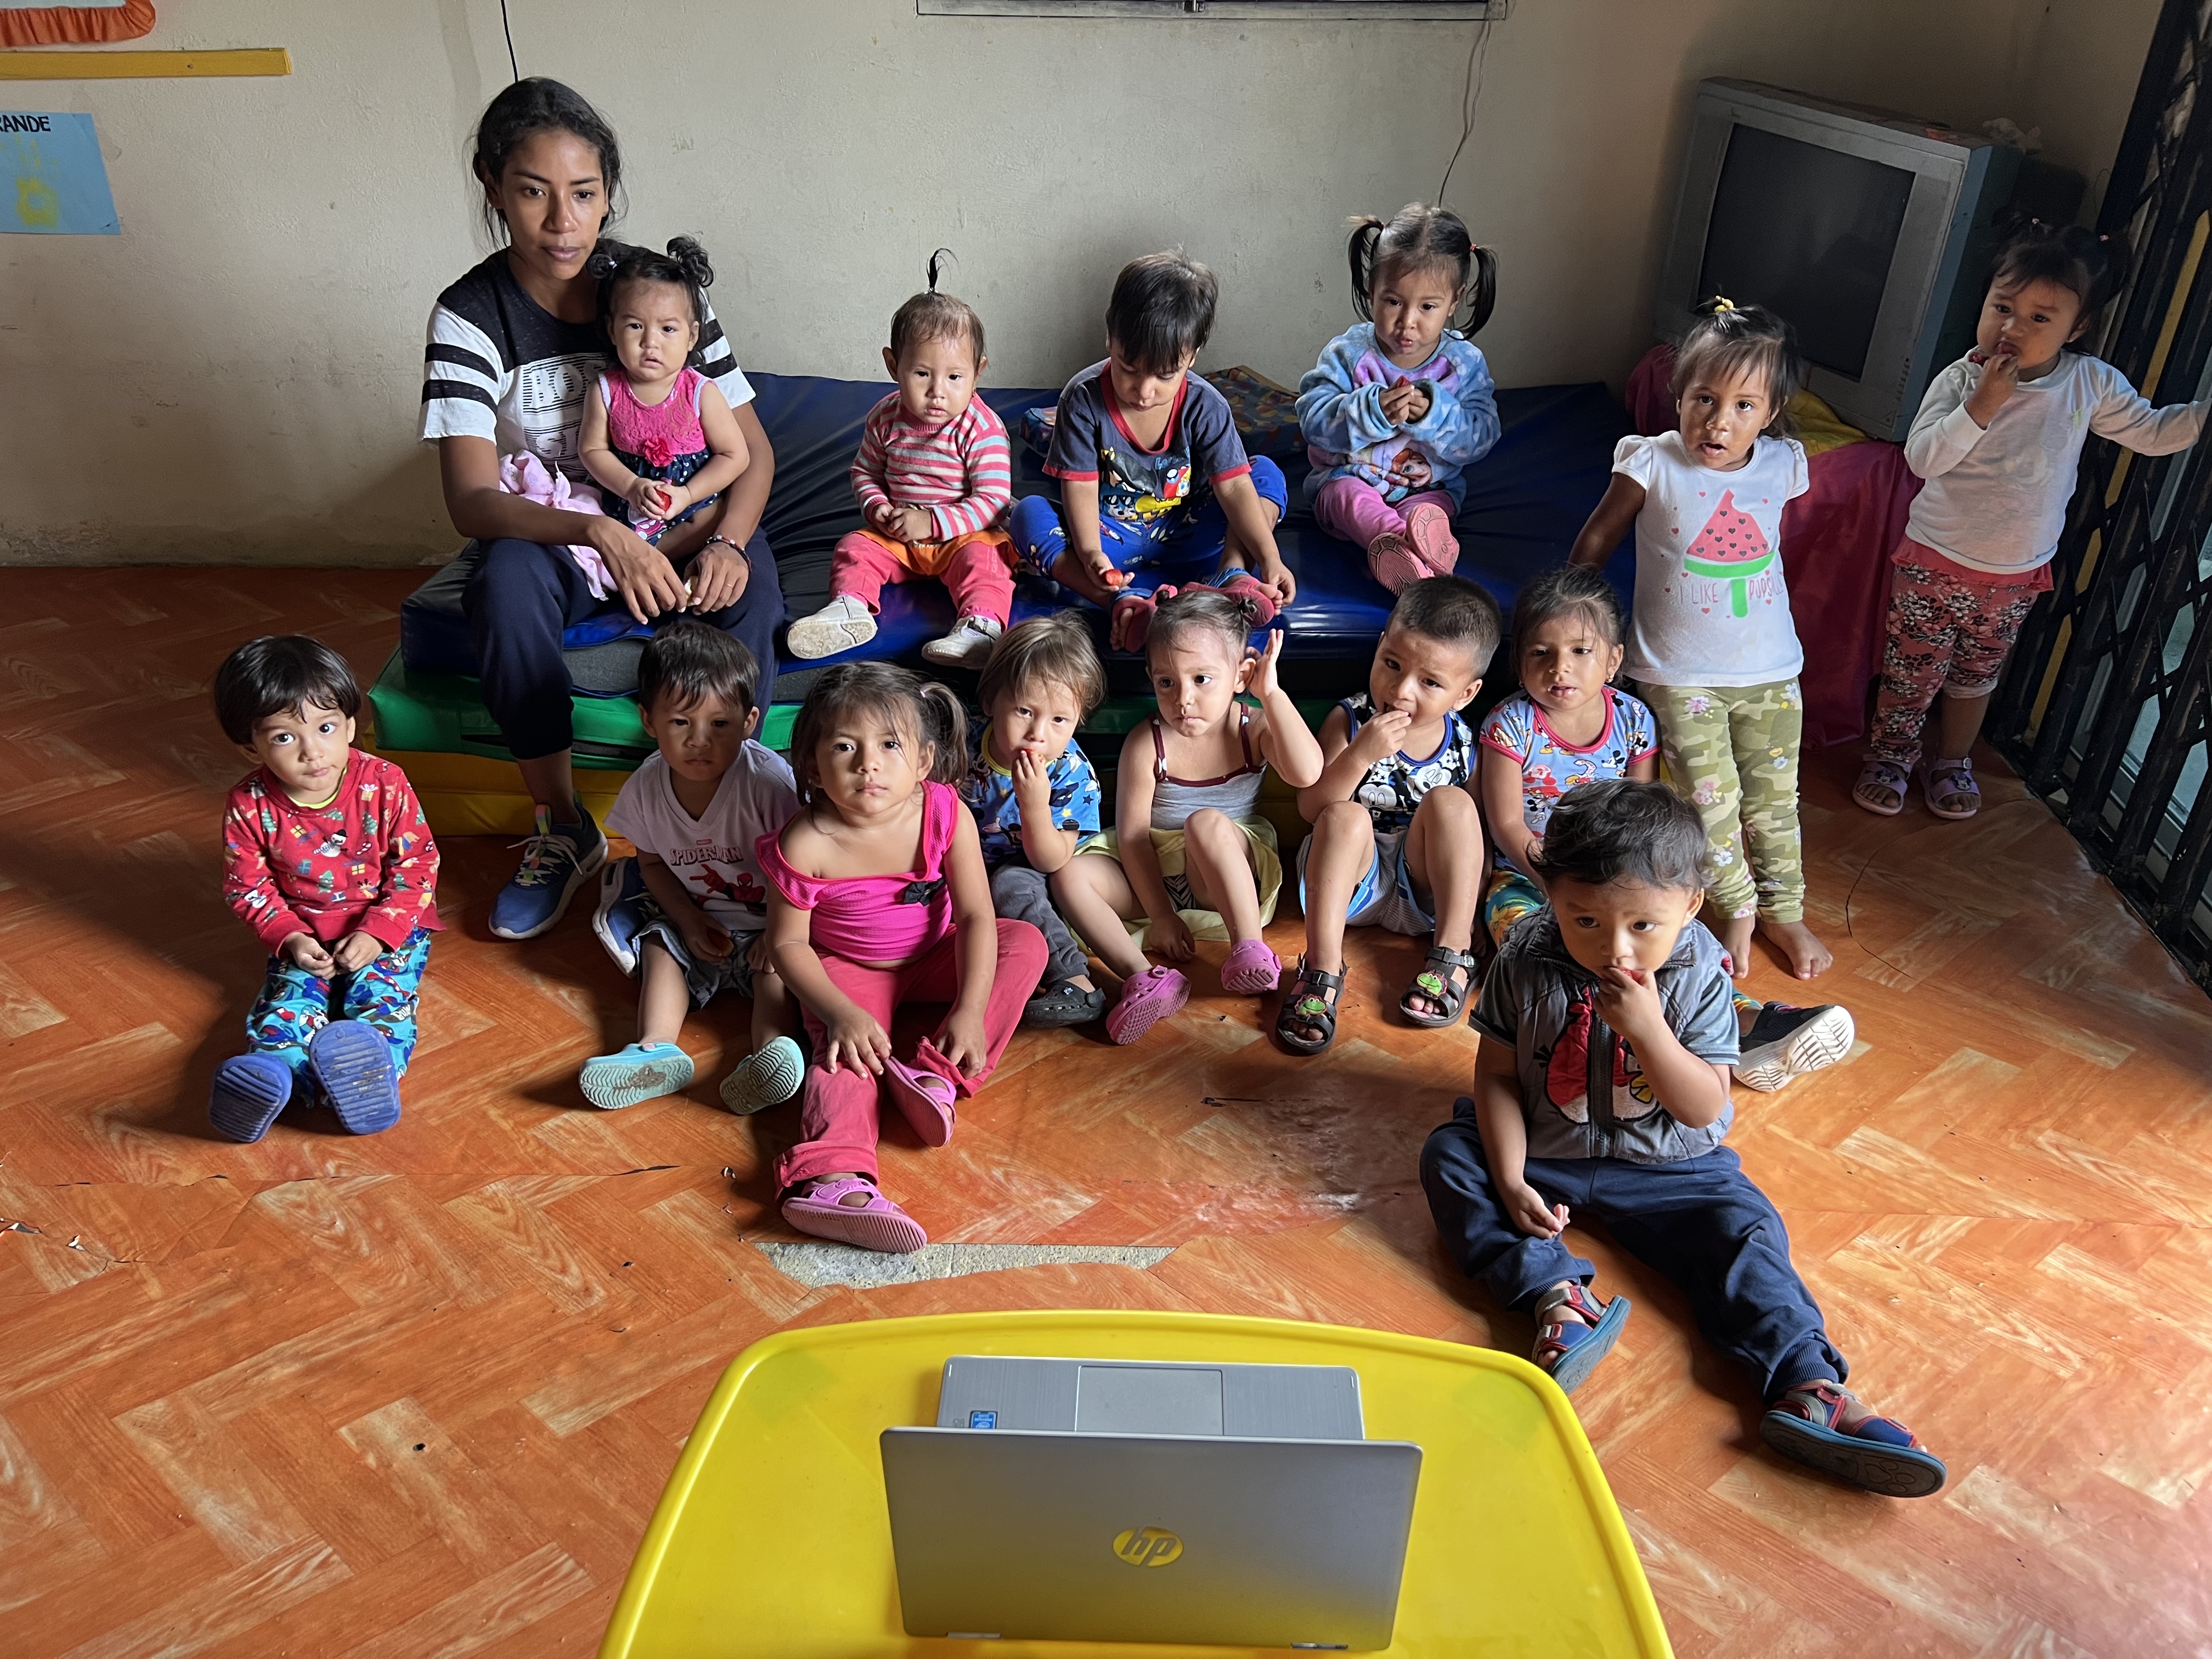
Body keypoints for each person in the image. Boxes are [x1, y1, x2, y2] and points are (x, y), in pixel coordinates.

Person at [1420, 781, 1947, 1498]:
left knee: (1746, 1231)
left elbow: (1703, 1107)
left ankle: (1808, 1386)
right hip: (1547, 1151)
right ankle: (1558, 1299)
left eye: (1644, 925)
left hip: (1673, 1168)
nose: (1613, 947)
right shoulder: (1526, 955)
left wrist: (1649, 1031)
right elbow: (1499, 1076)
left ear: (1691, 905)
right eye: (1584, 919)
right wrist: (1511, 1178)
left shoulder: (1700, 970)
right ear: (1552, 896)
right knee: (1452, 1156)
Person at [421, 78, 782, 942]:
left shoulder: (659, 293)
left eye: (583, 194)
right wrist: (599, 531)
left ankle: (726, 816)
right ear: (492, 187)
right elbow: (472, 500)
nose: (562, 222)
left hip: (685, 518)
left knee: (752, 591)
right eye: (532, 192)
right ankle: (563, 826)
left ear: (609, 193)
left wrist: (729, 543)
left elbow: (753, 453)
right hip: (561, 533)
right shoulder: (470, 317)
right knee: (503, 587)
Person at [1856, 222, 2209, 819]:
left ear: (2079, 327)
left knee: (1976, 677)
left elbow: (2149, 432)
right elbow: (1922, 459)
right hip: (1935, 562)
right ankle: (1890, 756)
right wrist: (1981, 406)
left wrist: (2202, 417)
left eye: (2040, 318)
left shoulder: (2089, 383)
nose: (2013, 328)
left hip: (2015, 575)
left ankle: (1952, 761)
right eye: (2003, 308)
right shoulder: (1962, 378)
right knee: (1912, 672)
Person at [1482, 567, 1852, 1091]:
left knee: (1674, 935)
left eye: (1581, 651)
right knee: (1527, 935)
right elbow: (1506, 823)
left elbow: (1643, 811)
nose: (1559, 668)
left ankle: (1746, 1021)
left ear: (1614, 660)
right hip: (1528, 875)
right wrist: (1556, 883)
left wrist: (1649, 891)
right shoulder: (1509, 725)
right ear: (1519, 661)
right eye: (1541, 653)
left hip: (1623, 880)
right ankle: (1629, 1039)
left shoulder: (1634, 720)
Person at [1567, 298, 1830, 984]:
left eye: (1744, 406)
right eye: (1705, 399)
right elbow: (1597, 538)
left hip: (1771, 670)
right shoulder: (1651, 462)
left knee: (1775, 802)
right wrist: (1579, 619)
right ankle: (1736, 905)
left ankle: (1785, 910)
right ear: (1679, 394)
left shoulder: (1783, 463)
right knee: (1710, 805)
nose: (1719, 422)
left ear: (1771, 412)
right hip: (1677, 673)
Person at [760, 665, 1048, 1253]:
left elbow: (976, 917)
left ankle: (938, 1077)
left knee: (1026, 942)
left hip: (935, 953)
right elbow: (787, 945)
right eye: (845, 747)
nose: (868, 764)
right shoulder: (804, 842)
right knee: (844, 1054)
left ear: (922, 761)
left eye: (889, 745)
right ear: (812, 765)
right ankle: (833, 1180)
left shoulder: (944, 812)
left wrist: (971, 1010)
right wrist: (839, 1012)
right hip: (847, 969)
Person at [1053, 589, 1324, 1043]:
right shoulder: (1148, 742)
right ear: (1151, 678)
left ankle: (1249, 947)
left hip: (1222, 877)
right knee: (1068, 874)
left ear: (1241, 676)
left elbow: (1307, 772)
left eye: (1202, 679)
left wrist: (1272, 695)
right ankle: (1143, 977)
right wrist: (1161, 915)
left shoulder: (1252, 728)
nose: (1183, 699)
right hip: (1156, 880)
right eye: (1167, 682)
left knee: (1205, 821)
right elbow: (1134, 837)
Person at [209, 637, 440, 1143]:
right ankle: (276, 1074)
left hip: (389, 929)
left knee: (382, 998)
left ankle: (369, 1072)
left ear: (351, 726)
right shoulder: (248, 804)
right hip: (304, 934)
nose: (313, 751)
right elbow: (248, 887)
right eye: (284, 737)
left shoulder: (385, 782)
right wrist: (291, 938)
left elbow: (418, 864)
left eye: (326, 728)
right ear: (251, 747)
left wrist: (379, 933)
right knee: (287, 1002)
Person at [1007, 251, 1296, 652]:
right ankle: (1122, 603)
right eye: (1128, 368)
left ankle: (1231, 576)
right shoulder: (1083, 399)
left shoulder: (1206, 406)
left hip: (1187, 532)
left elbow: (1233, 489)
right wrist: (1090, 553)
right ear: (1110, 336)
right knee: (1026, 514)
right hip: (1111, 540)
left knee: (1263, 473)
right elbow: (1081, 488)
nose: (1144, 391)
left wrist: (1270, 558)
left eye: (1165, 376)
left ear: (1193, 355)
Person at [580, 622, 804, 1115]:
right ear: (648, 719)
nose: (700, 741)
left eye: (719, 724)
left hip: (773, 924)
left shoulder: (769, 786)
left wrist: (778, 933)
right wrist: (686, 919)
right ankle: (655, 1049)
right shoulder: (645, 789)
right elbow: (651, 863)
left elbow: (803, 868)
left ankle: (770, 1056)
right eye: (681, 722)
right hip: (701, 922)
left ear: (749, 722)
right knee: (659, 945)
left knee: (780, 971)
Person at [1278, 576, 1498, 1056]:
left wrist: (1476, 909)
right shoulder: (1351, 719)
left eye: (1430, 682)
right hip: (1350, 886)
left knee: (1454, 803)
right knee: (1344, 816)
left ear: (1465, 693)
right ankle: (1322, 967)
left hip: (1423, 890)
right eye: (1392, 665)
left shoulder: (1465, 742)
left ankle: (1453, 951)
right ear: (1379, 648)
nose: (1400, 691)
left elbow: (1474, 838)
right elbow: (1311, 809)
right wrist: (1360, 754)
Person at [787, 252, 1017, 669]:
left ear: (978, 372)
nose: (937, 391)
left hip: (962, 538)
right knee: (854, 547)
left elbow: (994, 501)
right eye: (922, 374)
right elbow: (865, 472)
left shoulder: (981, 427)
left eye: (955, 377)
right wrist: (878, 508)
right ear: (893, 366)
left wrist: (931, 522)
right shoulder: (885, 417)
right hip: (900, 540)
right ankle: (849, 610)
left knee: (986, 561)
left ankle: (981, 629)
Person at [1296, 204, 1502, 592]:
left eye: (1428, 307)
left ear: (1454, 301)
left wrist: (1436, 415)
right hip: (1348, 480)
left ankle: (1419, 546)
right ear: (1372, 290)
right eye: (1393, 302)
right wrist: (1369, 411)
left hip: (1428, 492)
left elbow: (1482, 437)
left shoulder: (1463, 364)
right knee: (1344, 496)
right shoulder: (1349, 354)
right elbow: (1312, 420)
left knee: (1429, 512)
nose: (1407, 321)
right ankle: (1399, 544)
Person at [955, 614, 1112, 1029]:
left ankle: (1075, 981)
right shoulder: (960, 746)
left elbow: (1051, 860)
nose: (1038, 734)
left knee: (1010, 886)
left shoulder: (1071, 773)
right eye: (1025, 711)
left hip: (1026, 866)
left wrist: (1034, 807)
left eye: (1059, 720)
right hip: (958, 861)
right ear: (991, 701)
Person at [577, 237, 751, 548]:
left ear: (691, 336)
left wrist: (688, 494)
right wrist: (631, 486)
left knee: (708, 523)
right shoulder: (606, 391)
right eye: (635, 326)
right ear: (612, 330)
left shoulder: (700, 392)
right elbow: (592, 450)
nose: (650, 342)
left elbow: (735, 455)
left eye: (668, 329)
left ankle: (662, 560)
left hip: (694, 509)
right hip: (628, 510)